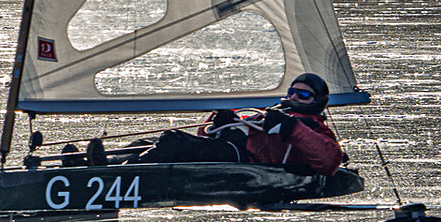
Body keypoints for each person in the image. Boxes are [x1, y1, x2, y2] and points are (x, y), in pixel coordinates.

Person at [135, 73, 345, 174]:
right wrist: (220, 122)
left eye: (304, 94)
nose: (295, 97)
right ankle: (104, 166)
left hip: (246, 163)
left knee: (174, 141)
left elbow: (329, 161)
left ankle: (124, 177)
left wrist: (291, 127)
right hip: (230, 149)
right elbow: (203, 135)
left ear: (317, 101)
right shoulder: (269, 114)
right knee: (145, 143)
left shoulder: (314, 126)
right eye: (292, 92)